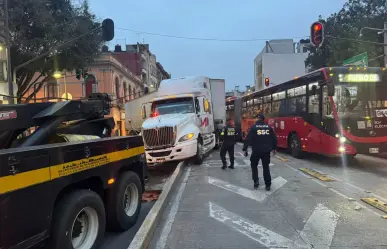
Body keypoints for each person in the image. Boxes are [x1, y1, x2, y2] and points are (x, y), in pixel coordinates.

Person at [242, 114, 277, 190]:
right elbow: (274, 138)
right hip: (266, 151)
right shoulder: (268, 127)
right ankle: (268, 184)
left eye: (256, 118)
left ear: (258, 118)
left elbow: (248, 139)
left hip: (256, 151)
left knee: (254, 166)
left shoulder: (253, 127)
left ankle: (256, 181)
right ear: (263, 119)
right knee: (266, 167)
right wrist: (274, 148)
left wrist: (245, 149)